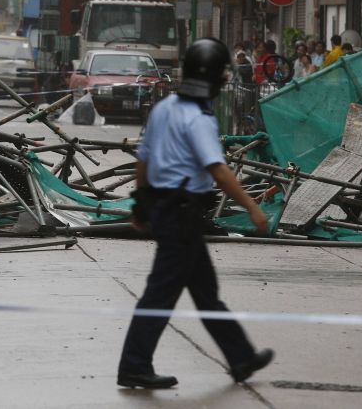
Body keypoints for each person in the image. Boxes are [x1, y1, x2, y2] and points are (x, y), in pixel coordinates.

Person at [117, 38, 274, 390]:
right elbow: (218, 170)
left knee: (205, 292)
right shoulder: (200, 119)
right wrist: (253, 208)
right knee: (161, 293)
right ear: (216, 79)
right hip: (182, 215)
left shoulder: (165, 108)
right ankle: (134, 365)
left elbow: (143, 160)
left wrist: (142, 205)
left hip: (167, 211)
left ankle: (241, 357)